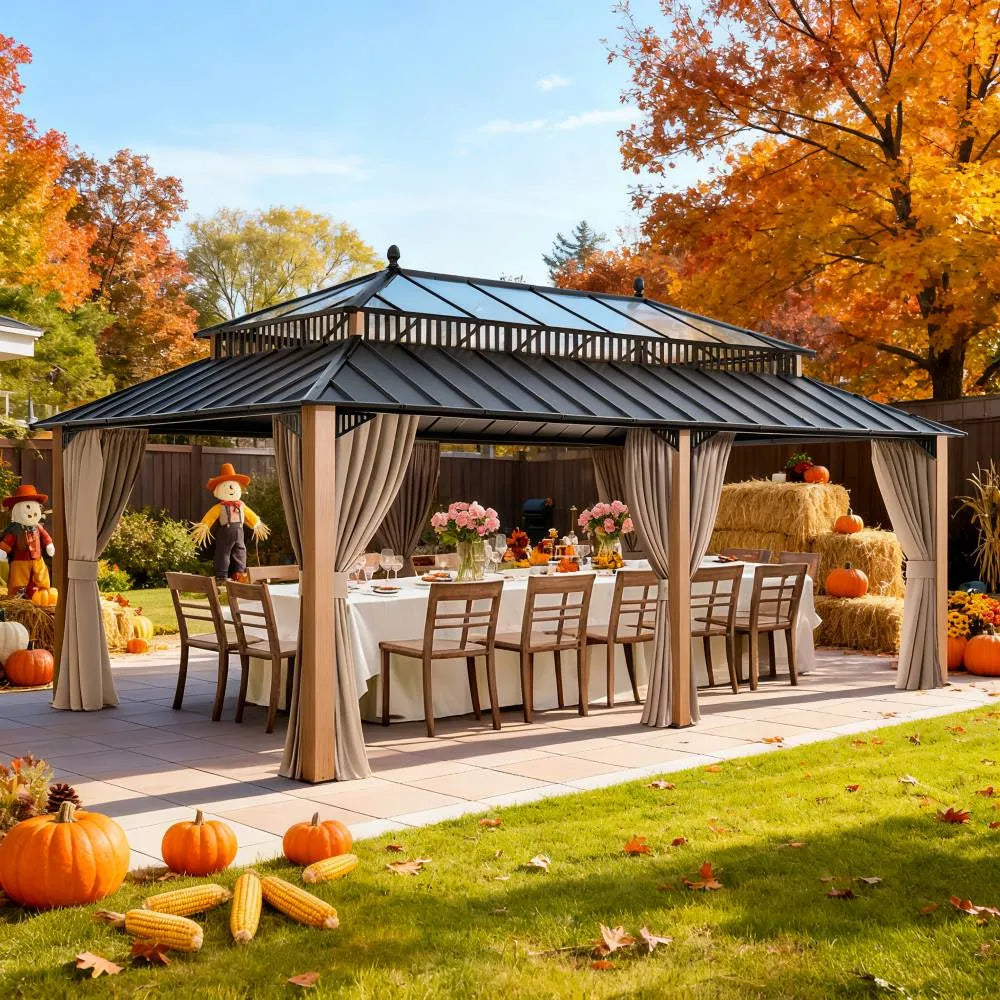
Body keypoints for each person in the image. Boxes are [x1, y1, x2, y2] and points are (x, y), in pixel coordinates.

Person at [191, 463, 269, 581]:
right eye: (228, 486)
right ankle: (221, 576)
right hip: (225, 533)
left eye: (233, 486)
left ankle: (239, 573)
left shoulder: (241, 505)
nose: (231, 489)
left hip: (239, 533)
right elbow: (209, 518)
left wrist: (257, 524)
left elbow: (250, 516)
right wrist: (204, 526)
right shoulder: (219, 507)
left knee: (240, 551)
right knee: (223, 552)